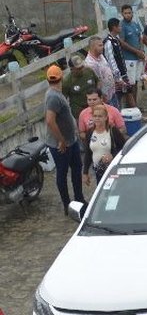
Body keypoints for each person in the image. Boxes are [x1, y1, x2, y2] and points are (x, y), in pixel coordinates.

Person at [44, 65, 85, 216]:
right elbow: (50, 121)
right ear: (61, 77)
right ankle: (67, 204)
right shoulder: (53, 97)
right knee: (62, 173)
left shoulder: (54, 93)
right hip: (62, 143)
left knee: (76, 168)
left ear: (48, 79)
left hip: (70, 140)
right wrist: (61, 140)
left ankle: (79, 199)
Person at [82, 104, 126, 185]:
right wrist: (85, 172)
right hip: (98, 170)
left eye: (100, 116)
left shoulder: (113, 131)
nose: (97, 118)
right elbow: (88, 153)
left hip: (112, 169)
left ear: (105, 117)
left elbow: (124, 148)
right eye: (95, 116)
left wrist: (113, 155)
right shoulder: (90, 132)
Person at [118, 4, 145, 108]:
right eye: (125, 13)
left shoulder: (135, 24)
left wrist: (141, 51)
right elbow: (122, 43)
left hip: (138, 58)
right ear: (122, 14)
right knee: (130, 84)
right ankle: (131, 107)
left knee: (136, 82)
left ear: (132, 13)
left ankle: (135, 105)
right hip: (128, 59)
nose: (128, 15)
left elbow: (140, 38)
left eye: (129, 13)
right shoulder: (122, 26)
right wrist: (136, 51)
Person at [85, 36, 117, 106]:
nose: (103, 47)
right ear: (93, 47)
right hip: (104, 98)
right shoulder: (91, 64)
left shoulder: (101, 55)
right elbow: (96, 83)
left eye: (102, 45)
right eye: (100, 45)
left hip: (111, 92)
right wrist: (102, 96)